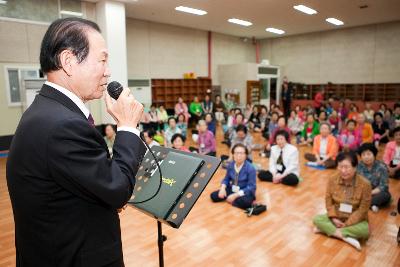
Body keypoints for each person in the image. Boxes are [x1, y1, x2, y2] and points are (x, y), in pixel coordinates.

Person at [6, 18, 147, 266]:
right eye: (102, 60)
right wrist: (126, 127)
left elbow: (71, 185)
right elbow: (117, 189)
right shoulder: (64, 125)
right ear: (68, 61)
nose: (108, 70)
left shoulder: (44, 111)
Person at [313, 152, 371, 251]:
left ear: (355, 167)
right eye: (340, 167)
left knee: (365, 231)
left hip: (354, 218)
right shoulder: (332, 179)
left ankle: (329, 231)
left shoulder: (365, 184)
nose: (343, 171)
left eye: (347, 167)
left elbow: (363, 209)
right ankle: (346, 237)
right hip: (336, 215)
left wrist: (348, 223)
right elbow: (328, 200)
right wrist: (334, 218)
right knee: (317, 219)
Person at [210, 143, 256, 210]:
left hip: (244, 191)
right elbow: (226, 179)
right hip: (232, 189)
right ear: (233, 154)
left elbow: (251, 187)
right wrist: (222, 189)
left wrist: (235, 195)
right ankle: (233, 200)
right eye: (236, 153)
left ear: (246, 155)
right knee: (213, 196)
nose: (239, 155)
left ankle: (232, 199)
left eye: (242, 153)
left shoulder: (250, 168)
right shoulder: (231, 165)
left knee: (246, 202)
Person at [357, 143, 391, 212]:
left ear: (374, 155)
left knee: (386, 195)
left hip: (376, 193)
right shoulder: (359, 166)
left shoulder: (382, 167)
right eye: (363, 155)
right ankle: (371, 204)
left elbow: (383, 186)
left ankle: (361, 204)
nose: (366, 157)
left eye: (369, 154)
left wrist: (369, 193)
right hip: (362, 192)